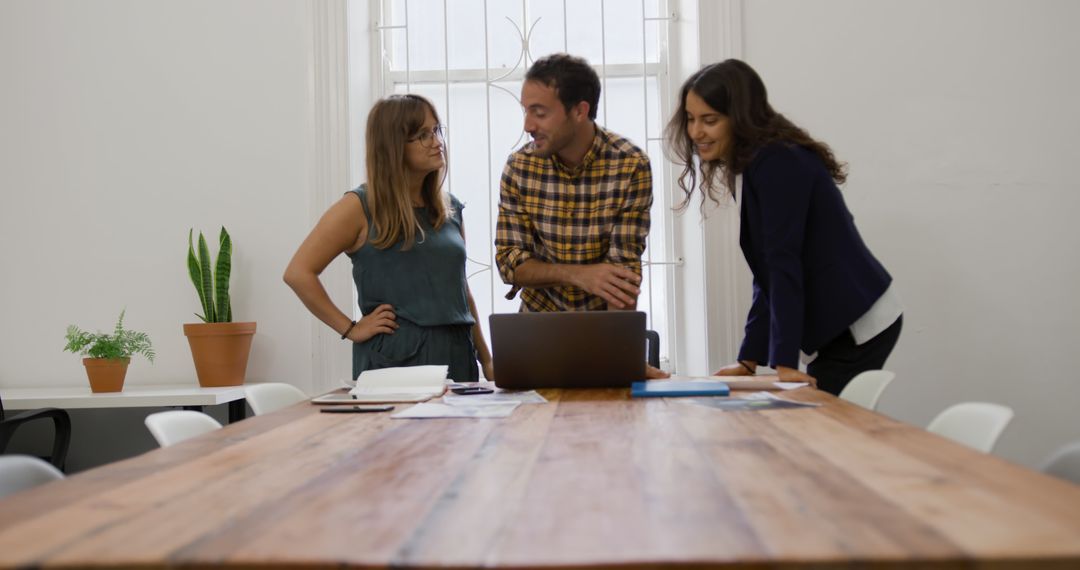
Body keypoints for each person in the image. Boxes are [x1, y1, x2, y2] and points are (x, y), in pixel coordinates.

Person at [665, 60, 902, 395]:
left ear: (740, 118)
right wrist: (751, 358)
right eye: (690, 119)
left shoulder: (778, 161)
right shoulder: (752, 162)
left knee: (816, 421)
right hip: (841, 318)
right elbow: (768, 274)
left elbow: (783, 261)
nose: (695, 132)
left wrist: (785, 363)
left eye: (710, 120)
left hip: (859, 321)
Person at [284, 94, 493, 384]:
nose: (437, 141)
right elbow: (298, 273)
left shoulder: (449, 208)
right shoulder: (359, 206)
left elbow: (461, 290)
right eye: (422, 135)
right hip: (396, 361)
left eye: (437, 130)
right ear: (393, 146)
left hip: (458, 354)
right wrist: (350, 328)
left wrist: (487, 359)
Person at [495, 52, 667, 378]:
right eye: (526, 111)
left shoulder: (630, 165)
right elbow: (509, 263)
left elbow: (621, 275)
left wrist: (620, 360)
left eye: (540, 113)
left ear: (580, 111)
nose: (528, 125)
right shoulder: (519, 167)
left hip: (603, 337)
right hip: (535, 338)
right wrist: (580, 274)